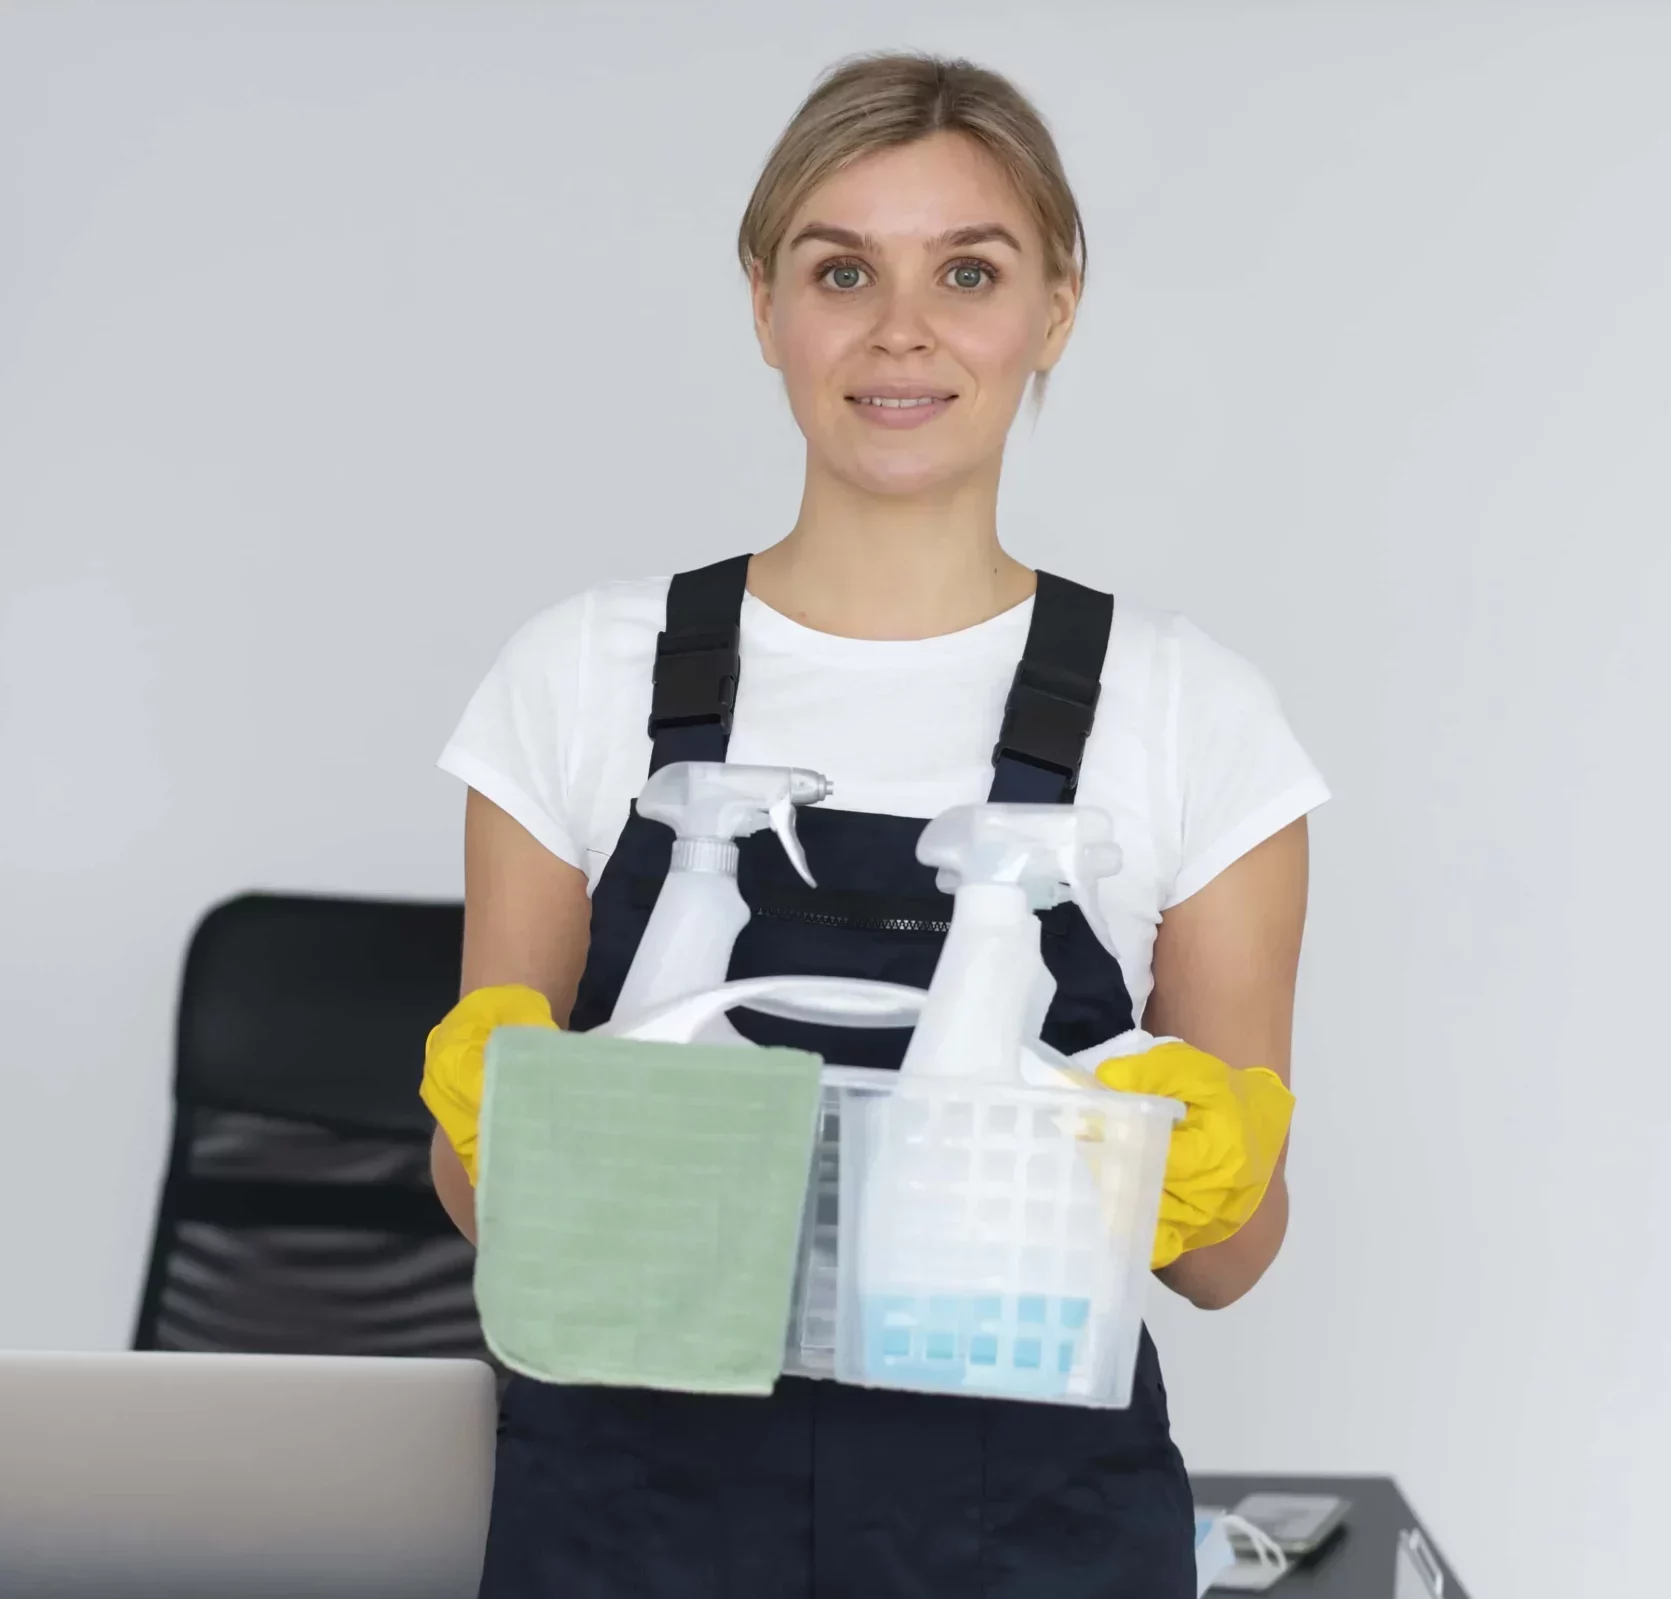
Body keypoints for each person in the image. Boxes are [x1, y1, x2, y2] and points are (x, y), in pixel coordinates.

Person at [421, 51, 1328, 1599]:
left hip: (1023, 1535)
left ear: (1053, 308)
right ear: (766, 302)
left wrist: (1198, 1163)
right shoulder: (585, 673)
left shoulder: (1190, 712)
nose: (899, 329)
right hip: (630, 1516)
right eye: (841, 269)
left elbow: (1225, 1268)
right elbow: (474, 1197)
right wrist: (497, 1106)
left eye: (966, 270)